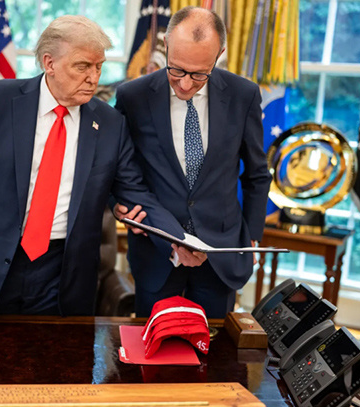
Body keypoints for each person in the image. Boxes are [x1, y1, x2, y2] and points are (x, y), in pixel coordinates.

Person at [0, 15, 204, 321]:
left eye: (99, 67)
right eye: (82, 66)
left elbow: (136, 194)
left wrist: (177, 240)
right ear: (49, 63)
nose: (94, 78)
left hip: (65, 274)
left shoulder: (111, 124)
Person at [114, 6, 272, 319]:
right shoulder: (133, 96)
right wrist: (118, 205)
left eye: (199, 74)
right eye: (176, 70)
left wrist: (252, 239)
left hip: (220, 255)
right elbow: (118, 169)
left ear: (219, 55)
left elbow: (256, 173)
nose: (185, 84)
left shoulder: (243, 95)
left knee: (214, 347)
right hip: (156, 254)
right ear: (166, 44)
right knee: (152, 346)